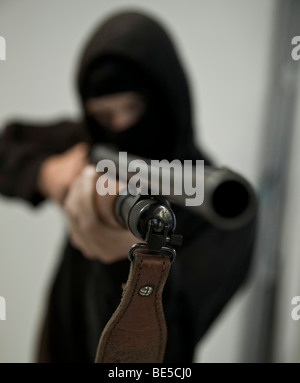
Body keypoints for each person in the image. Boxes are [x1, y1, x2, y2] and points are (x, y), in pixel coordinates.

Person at [0, 10, 257, 363]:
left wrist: (127, 263)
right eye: (105, 116)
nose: (120, 125)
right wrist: (48, 173)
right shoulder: (88, 144)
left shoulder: (217, 207)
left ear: (167, 98)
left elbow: (168, 356)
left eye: (133, 107)